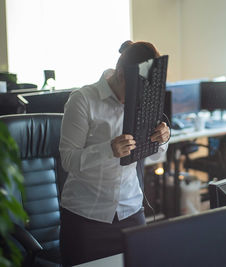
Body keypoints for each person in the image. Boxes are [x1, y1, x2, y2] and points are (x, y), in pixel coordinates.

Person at [58, 40, 170, 266]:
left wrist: (163, 139)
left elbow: (155, 156)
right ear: (120, 75)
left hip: (130, 210)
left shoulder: (142, 99)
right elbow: (67, 160)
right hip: (86, 218)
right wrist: (107, 150)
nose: (138, 99)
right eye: (135, 90)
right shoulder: (83, 100)